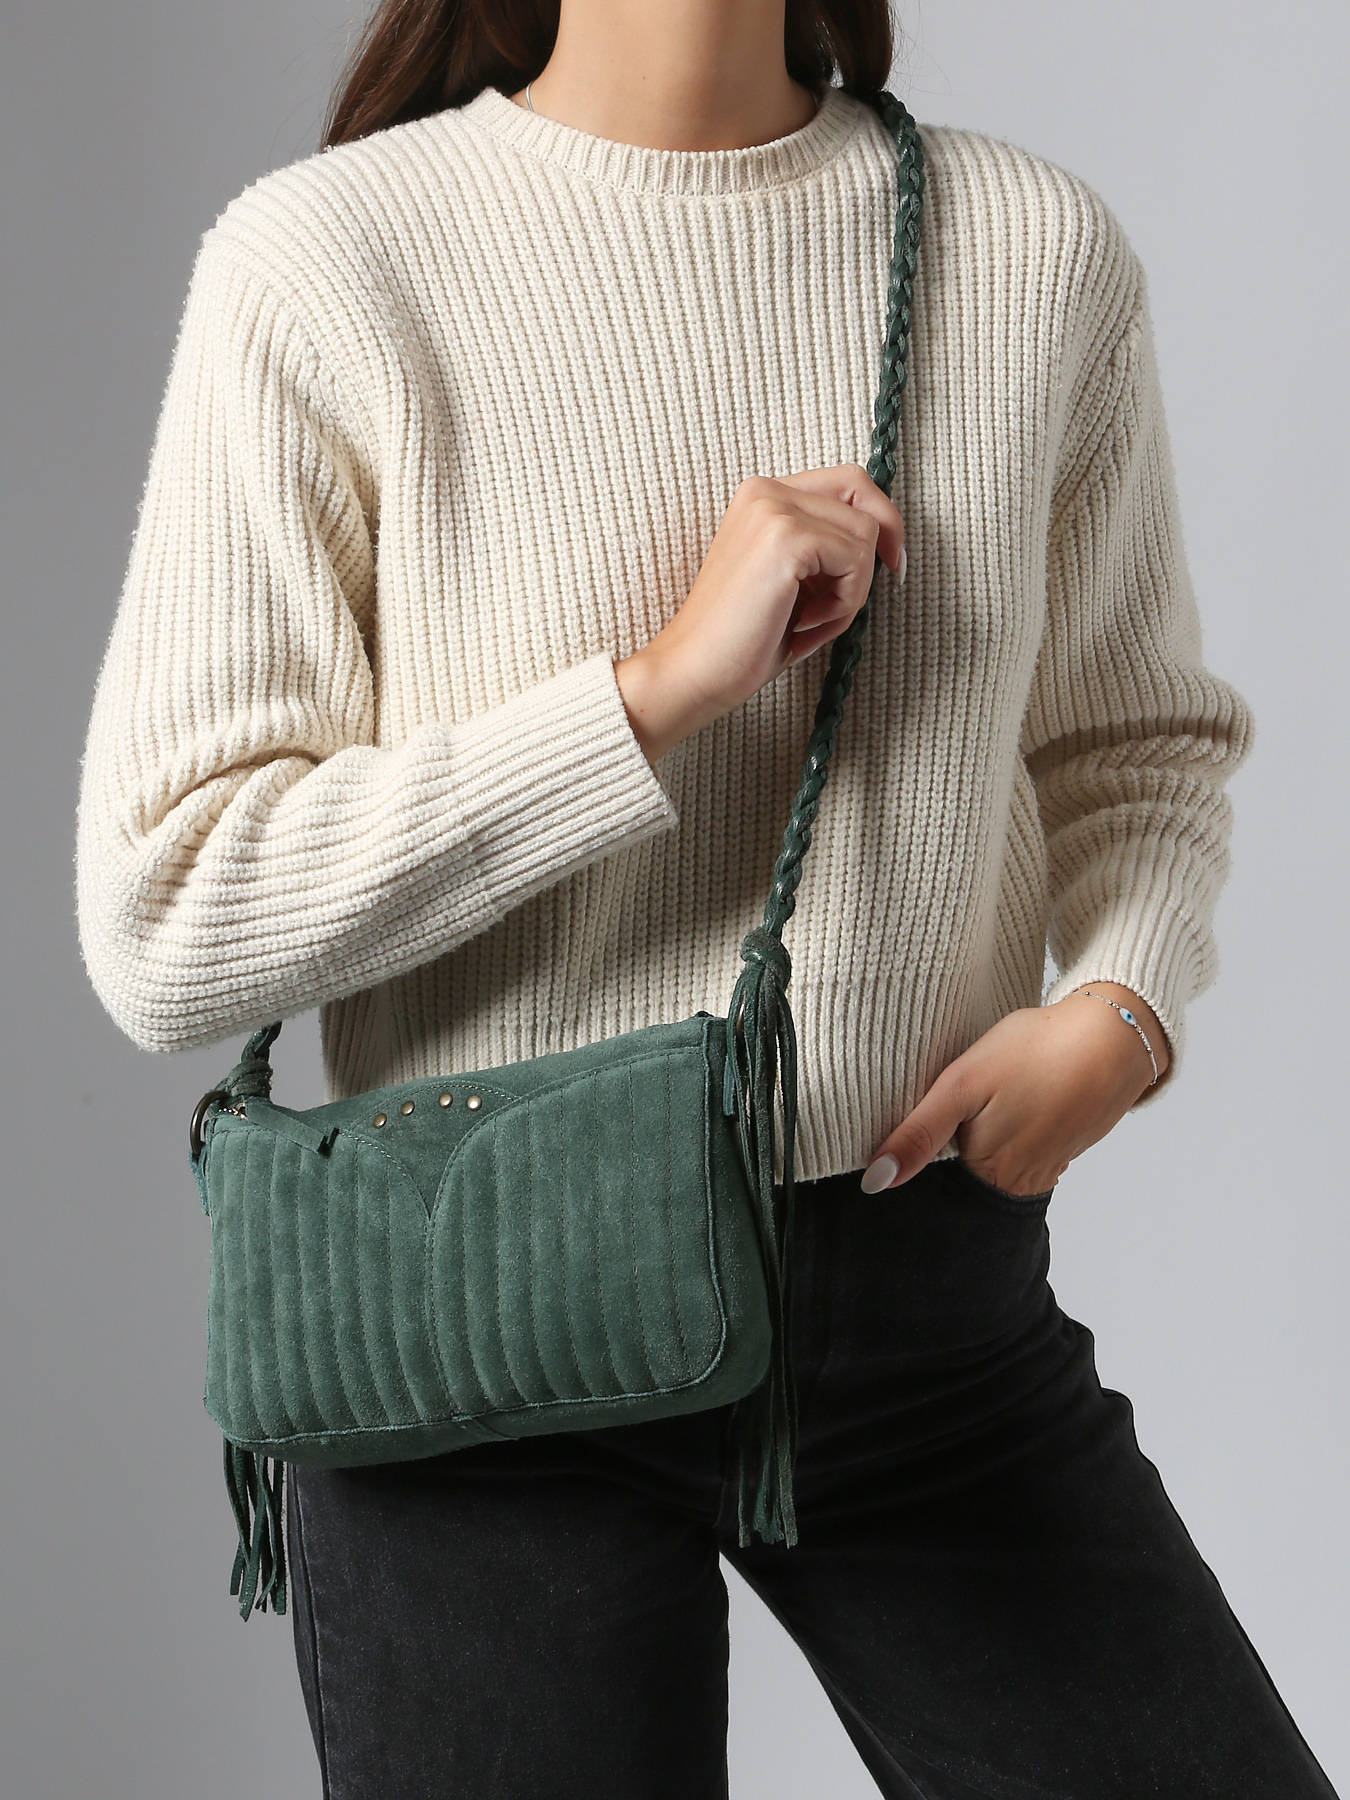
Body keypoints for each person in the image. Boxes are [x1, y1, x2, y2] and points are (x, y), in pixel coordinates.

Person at [73, 2, 1340, 1796]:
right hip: (477, 1326)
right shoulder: (328, 263)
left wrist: (1121, 1010)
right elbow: (172, 912)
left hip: (917, 1306)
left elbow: (1133, 747)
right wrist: (653, 694)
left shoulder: (1028, 250)